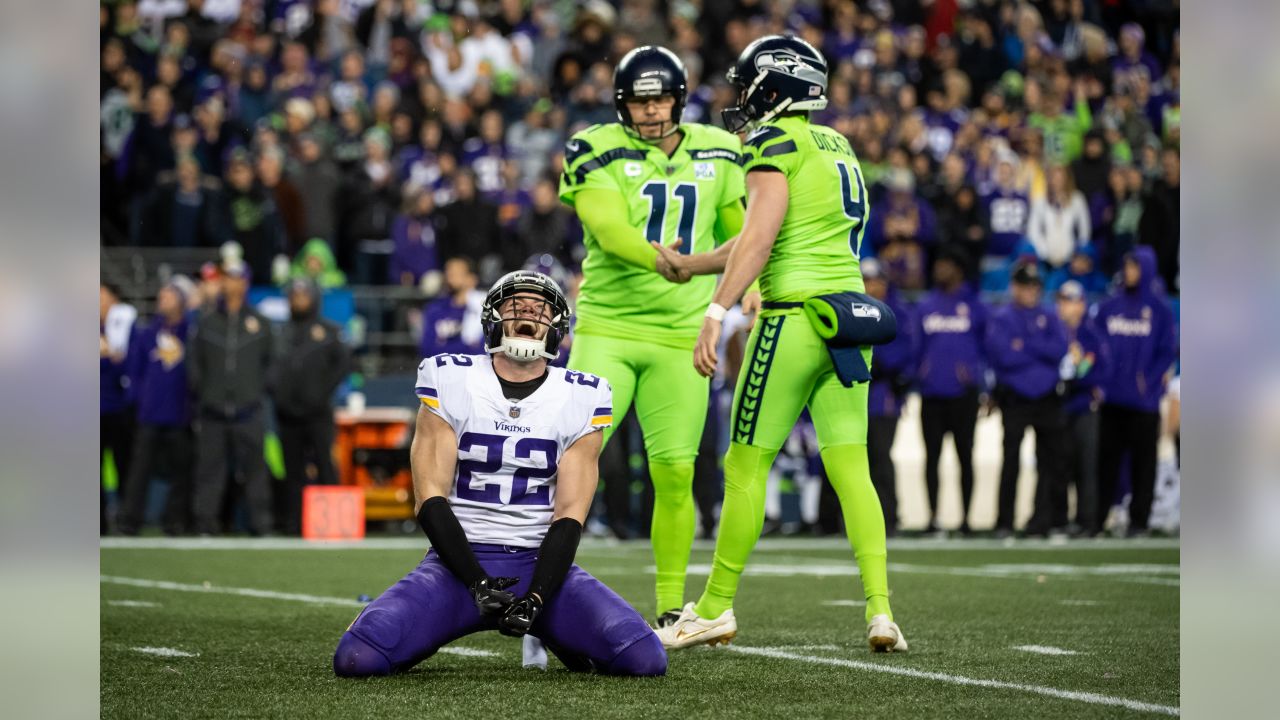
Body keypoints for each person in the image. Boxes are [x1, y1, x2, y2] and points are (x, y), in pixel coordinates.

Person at [652, 36, 906, 652]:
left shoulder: (773, 142)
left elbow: (761, 238)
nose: (741, 97)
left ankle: (713, 607)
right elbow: (768, 236)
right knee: (852, 467)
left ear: (774, 86)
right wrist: (695, 264)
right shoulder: (836, 144)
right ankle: (881, 612)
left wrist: (714, 313)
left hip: (794, 318)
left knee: (744, 464)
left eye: (749, 84)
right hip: (849, 320)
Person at [333, 271, 666, 678]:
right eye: (516, 305)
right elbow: (430, 498)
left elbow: (570, 514)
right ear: (493, 318)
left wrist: (539, 596)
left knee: (645, 660)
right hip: (455, 566)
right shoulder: (450, 376)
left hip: (539, 563)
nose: (528, 311)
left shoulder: (584, 393)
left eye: (540, 308)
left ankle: (552, 628)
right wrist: (476, 583)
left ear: (556, 325)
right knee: (357, 660)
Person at [557, 45, 747, 623]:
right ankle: (535, 584)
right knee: (572, 455)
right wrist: (660, 259)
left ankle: (670, 609)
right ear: (621, 103)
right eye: (639, 101)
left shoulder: (722, 149)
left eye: (661, 98)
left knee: (676, 469)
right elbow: (609, 228)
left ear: (681, 98)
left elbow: (740, 229)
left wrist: (749, 283)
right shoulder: (593, 147)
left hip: (680, 334)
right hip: (609, 327)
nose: (650, 111)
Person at [1094, 247, 1178, 536]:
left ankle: (1139, 521)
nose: (1129, 272)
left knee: (1144, 464)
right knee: (1107, 461)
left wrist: (1149, 380)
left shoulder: (1160, 310)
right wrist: (1101, 380)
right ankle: (1098, 517)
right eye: (1126, 267)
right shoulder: (1109, 306)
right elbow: (1095, 345)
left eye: (1134, 267)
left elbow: (1168, 351)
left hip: (1144, 402)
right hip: (1112, 399)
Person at [188, 260, 276, 536]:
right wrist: (205, 393)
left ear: (245, 283)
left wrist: (254, 391)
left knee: (255, 471)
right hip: (213, 411)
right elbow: (194, 363)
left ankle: (260, 524)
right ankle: (206, 524)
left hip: (248, 409)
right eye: (227, 278)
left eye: (236, 278)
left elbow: (271, 363)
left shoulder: (260, 323)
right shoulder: (207, 322)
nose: (230, 283)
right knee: (210, 471)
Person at [985, 260, 1068, 536]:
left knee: (1049, 461)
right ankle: (1005, 521)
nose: (1031, 291)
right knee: (1011, 461)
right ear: (1014, 287)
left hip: (1045, 397)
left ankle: (1041, 520)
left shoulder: (1050, 316)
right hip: (1015, 397)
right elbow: (1003, 356)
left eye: (1035, 286)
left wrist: (1025, 343)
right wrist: (1037, 348)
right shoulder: (1003, 317)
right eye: (1026, 286)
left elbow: (1059, 349)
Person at [270, 278, 351, 535]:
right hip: (286, 414)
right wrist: (277, 391)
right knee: (292, 472)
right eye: (294, 294)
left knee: (325, 466)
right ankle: (294, 524)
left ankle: (333, 525)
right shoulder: (280, 332)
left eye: (303, 294)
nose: (298, 299)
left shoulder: (329, 331)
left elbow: (345, 364)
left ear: (314, 298)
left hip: (318, 413)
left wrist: (321, 393)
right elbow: (267, 367)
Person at [915, 248, 987, 533]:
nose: (939, 269)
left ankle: (967, 519)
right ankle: (932, 517)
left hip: (964, 395)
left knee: (965, 457)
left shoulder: (975, 306)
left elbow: (986, 349)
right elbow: (916, 348)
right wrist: (919, 376)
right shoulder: (924, 306)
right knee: (931, 458)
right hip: (931, 394)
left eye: (945, 264)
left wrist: (980, 382)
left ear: (958, 269)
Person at [118, 279, 194, 536]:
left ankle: (175, 520)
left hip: (179, 413)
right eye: (161, 297)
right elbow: (134, 369)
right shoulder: (148, 333)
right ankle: (129, 520)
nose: (163, 301)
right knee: (139, 470)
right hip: (150, 413)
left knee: (181, 471)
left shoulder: (191, 331)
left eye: (169, 297)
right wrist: (137, 399)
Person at [863, 259, 915, 535]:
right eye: (868, 280)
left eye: (877, 281)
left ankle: (889, 517)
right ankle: (849, 519)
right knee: (854, 460)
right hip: (856, 396)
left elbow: (906, 350)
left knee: (881, 456)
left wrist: (879, 363)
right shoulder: (851, 308)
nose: (872, 286)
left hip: (884, 398)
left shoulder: (898, 312)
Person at [1055, 280, 1109, 536]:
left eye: (1069, 301)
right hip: (1059, 406)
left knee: (1086, 466)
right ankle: (1060, 519)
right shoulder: (1054, 332)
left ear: (1081, 304)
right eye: (1062, 301)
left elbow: (1099, 369)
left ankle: (1088, 521)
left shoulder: (1091, 335)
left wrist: (1077, 378)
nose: (1064, 306)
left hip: (1084, 406)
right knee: (1060, 465)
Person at [100, 282, 137, 534]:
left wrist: (111, 355)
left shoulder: (125, 324)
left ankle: (127, 520)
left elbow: (129, 366)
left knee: (125, 466)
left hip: (119, 409)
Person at [419, 257, 485, 359]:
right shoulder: (435, 309)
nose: (449, 277)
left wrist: (443, 348)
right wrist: (468, 347)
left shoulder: (483, 308)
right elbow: (427, 350)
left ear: (472, 279)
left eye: (456, 273)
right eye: (448, 272)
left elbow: (482, 351)